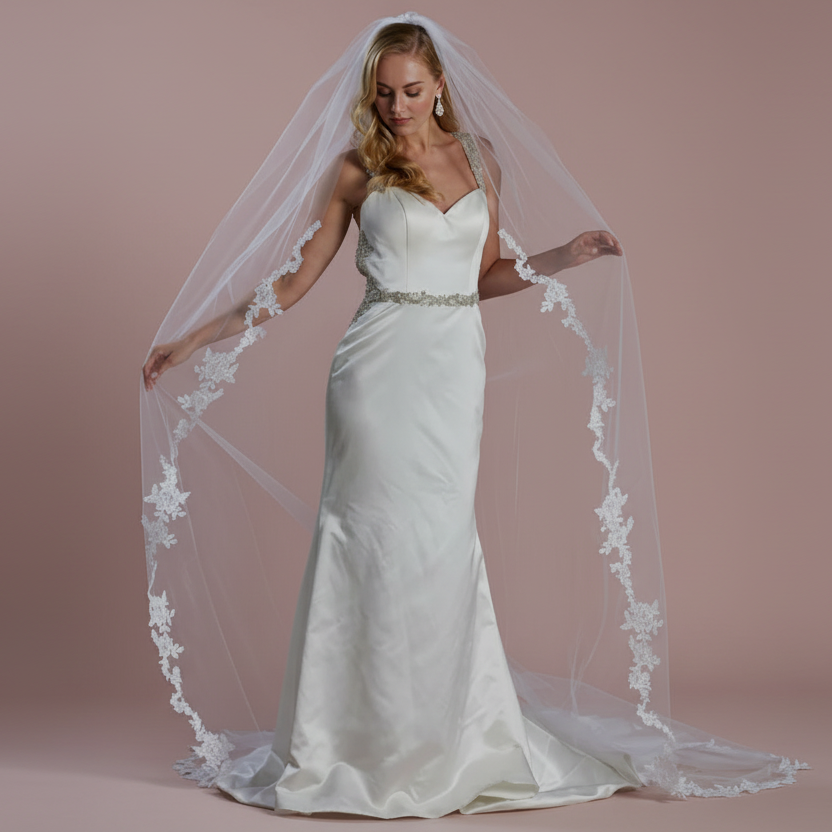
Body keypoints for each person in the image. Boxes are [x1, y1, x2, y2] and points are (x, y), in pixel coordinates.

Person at [140, 13, 807, 819]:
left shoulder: (480, 158)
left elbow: (485, 273)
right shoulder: (356, 169)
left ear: (440, 87)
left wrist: (564, 256)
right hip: (375, 373)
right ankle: (347, 742)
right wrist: (194, 337)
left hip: (455, 370)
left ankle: (444, 738)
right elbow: (294, 280)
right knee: (368, 536)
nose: (396, 107)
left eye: (411, 91)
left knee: (442, 539)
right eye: (383, 94)